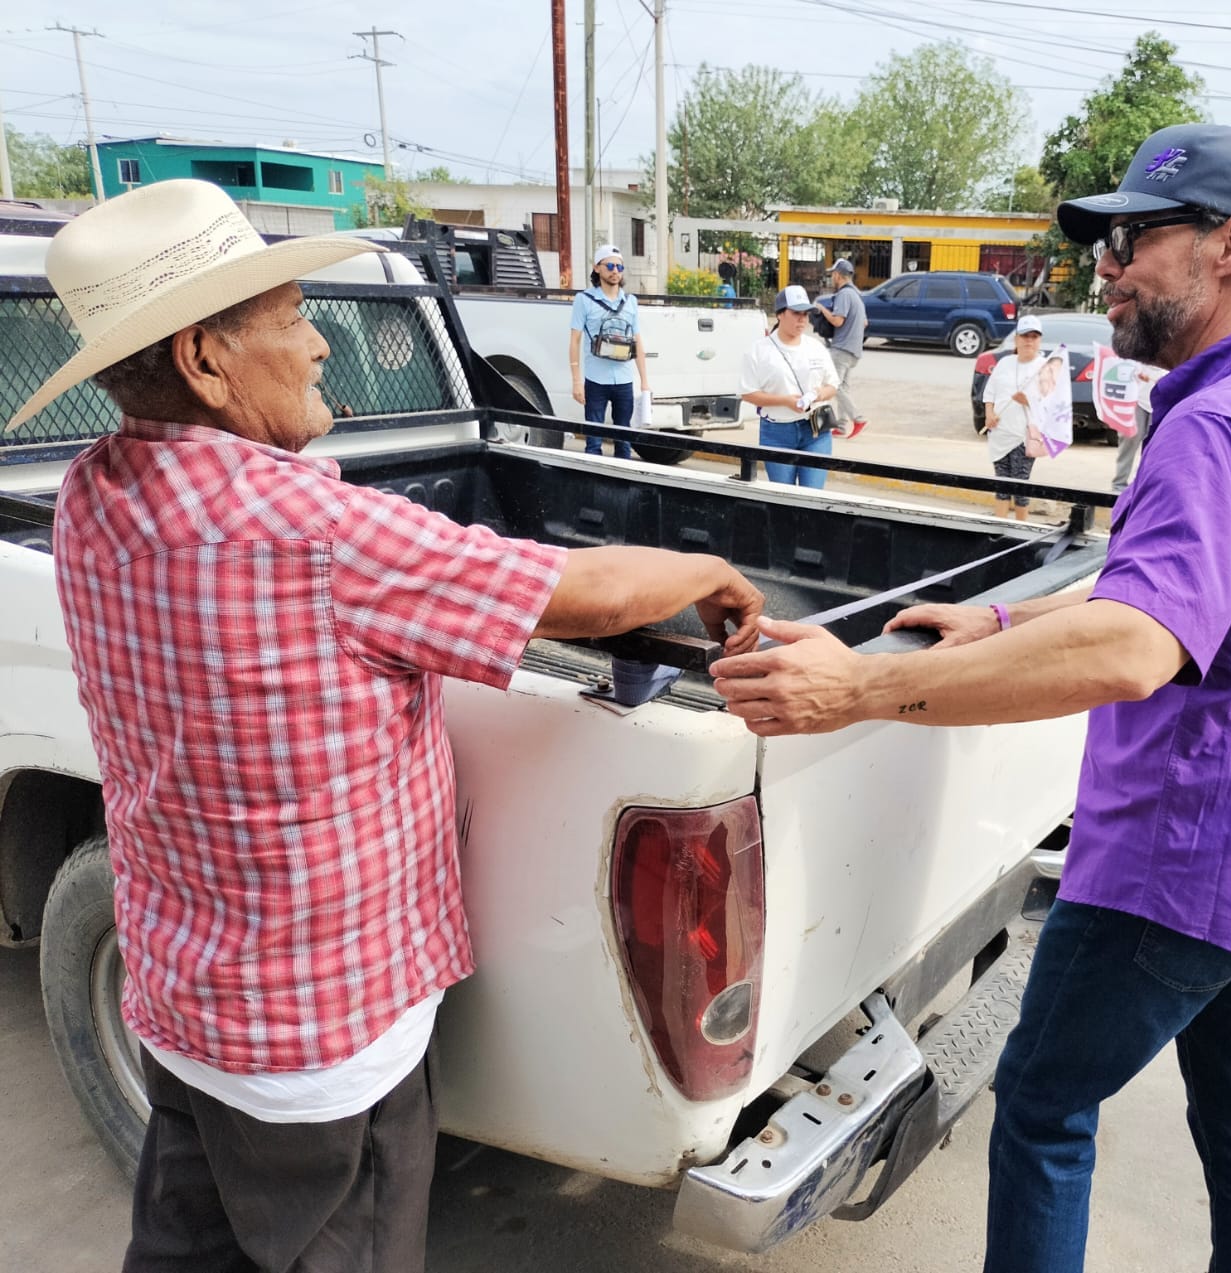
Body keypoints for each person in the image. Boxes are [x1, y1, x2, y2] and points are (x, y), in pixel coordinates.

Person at [6, 179, 763, 1273]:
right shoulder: (316, 533)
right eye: (293, 318)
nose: (321, 344)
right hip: (324, 1049)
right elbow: (584, 594)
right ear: (204, 360)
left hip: (181, 1002)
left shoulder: (90, 495)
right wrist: (708, 569)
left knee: (184, 1248)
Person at [709, 123, 1231, 1273]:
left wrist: (859, 686)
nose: (1105, 267)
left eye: (1134, 239)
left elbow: (1133, 646)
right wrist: (1005, 623)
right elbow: (1184, 596)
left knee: (1041, 1107)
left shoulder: (1215, 426)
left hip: (1180, 864)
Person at [739, 284, 841, 488]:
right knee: (783, 496)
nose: (802, 319)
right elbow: (748, 393)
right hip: (777, 432)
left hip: (815, 431)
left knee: (812, 495)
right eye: (796, 313)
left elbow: (833, 385)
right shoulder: (759, 350)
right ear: (780, 314)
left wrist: (819, 394)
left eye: (805, 314)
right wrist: (785, 401)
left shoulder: (816, 347)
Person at [569, 243, 649, 458]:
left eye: (619, 267)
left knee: (624, 441)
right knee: (593, 442)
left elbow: (637, 341)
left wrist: (644, 382)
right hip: (596, 380)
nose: (615, 271)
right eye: (610, 266)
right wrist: (576, 381)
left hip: (624, 380)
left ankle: (621, 477)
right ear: (597, 268)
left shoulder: (630, 301)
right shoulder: (584, 300)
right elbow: (575, 340)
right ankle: (593, 477)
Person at [983, 314, 1047, 521]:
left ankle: (1020, 529)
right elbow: (990, 393)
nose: (1029, 341)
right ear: (1016, 339)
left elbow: (1051, 404)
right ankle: (999, 526)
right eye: (1025, 336)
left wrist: (1028, 401)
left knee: (1020, 485)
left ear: (1039, 340)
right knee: (1002, 485)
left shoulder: (1044, 367)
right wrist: (989, 414)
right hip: (1000, 433)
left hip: (1024, 436)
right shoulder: (1005, 363)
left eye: (1034, 337)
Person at [817, 257, 869, 438]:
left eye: (833, 274)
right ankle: (840, 426)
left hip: (842, 349)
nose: (832, 277)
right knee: (843, 388)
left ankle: (858, 418)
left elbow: (838, 321)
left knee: (834, 386)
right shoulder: (857, 295)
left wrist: (822, 310)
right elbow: (864, 323)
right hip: (854, 350)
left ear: (838, 275)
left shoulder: (844, 295)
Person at [1113, 362, 1164, 493]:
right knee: (1129, 440)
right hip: (1138, 401)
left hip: (1160, 403)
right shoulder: (1141, 356)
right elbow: (1129, 367)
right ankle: (1119, 484)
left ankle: (1142, 484)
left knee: (1153, 446)